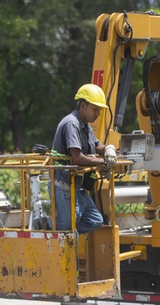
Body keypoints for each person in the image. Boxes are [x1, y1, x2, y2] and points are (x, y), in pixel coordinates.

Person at [50, 83, 117, 234]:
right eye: (95, 109)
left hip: (76, 183)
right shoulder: (71, 124)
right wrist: (104, 162)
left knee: (95, 220)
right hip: (64, 184)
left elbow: (97, 145)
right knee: (66, 231)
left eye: (99, 110)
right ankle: (51, 228)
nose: (98, 114)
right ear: (83, 105)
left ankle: (57, 228)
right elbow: (78, 157)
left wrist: (109, 149)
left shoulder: (85, 125)